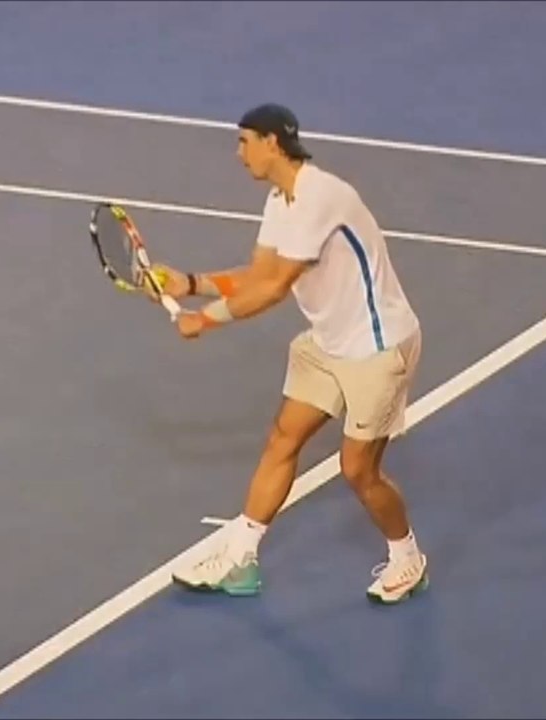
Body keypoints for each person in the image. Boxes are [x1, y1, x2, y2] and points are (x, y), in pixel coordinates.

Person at [151, 103, 427, 605]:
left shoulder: (321, 197)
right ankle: (240, 560)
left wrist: (206, 318)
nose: (239, 155)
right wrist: (190, 283)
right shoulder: (281, 201)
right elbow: (258, 274)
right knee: (283, 438)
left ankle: (407, 558)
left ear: (272, 143)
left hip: (378, 349)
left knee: (358, 471)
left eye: (244, 142)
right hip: (328, 344)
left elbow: (276, 288)